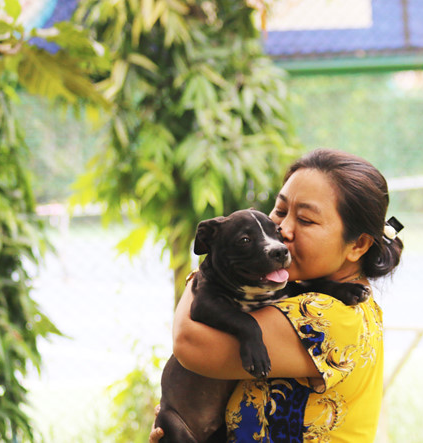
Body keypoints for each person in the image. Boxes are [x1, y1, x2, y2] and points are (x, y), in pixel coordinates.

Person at [150, 149, 403, 442]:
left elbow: (189, 342)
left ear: (358, 245)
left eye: (306, 220)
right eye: (280, 212)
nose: (282, 230)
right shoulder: (322, 298)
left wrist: (204, 276)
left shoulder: (323, 317)